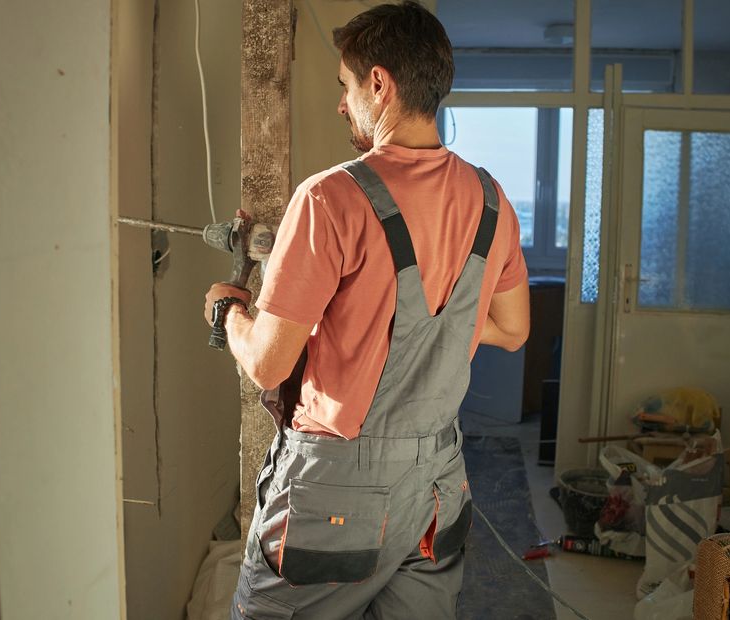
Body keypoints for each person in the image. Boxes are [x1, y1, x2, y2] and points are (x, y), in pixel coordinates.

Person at [203, 2, 529, 617]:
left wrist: (228, 313)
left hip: (336, 490)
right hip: (436, 484)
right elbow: (513, 330)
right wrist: (432, 320)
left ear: (378, 84)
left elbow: (269, 366)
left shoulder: (330, 198)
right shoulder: (492, 200)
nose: (341, 103)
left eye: (346, 86)